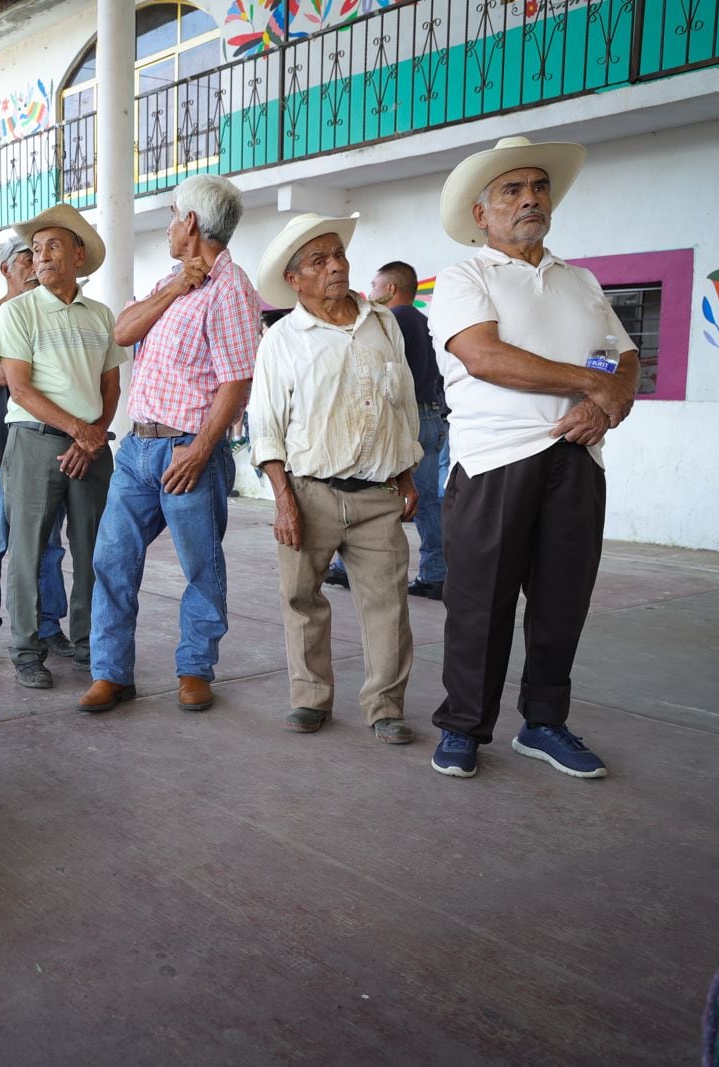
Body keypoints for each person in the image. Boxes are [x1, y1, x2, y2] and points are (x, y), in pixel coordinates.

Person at [428, 136, 639, 780]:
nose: (529, 200)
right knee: (479, 605)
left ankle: (544, 724)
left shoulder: (581, 280)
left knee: (561, 600)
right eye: (511, 191)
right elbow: (485, 356)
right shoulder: (465, 276)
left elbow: (622, 359)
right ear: (481, 215)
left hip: (578, 457)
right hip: (496, 462)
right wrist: (588, 381)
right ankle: (464, 726)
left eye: (538, 188)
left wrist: (604, 402)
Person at [83, 175, 260, 714]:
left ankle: (195, 668)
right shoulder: (171, 278)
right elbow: (122, 332)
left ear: (190, 223)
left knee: (200, 566)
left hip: (188, 451)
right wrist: (174, 287)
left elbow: (237, 381)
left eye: (172, 215)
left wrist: (202, 449)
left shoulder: (232, 290)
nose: (167, 226)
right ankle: (111, 673)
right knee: (112, 561)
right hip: (138, 451)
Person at [248, 212, 421, 745]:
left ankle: (385, 705)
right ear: (294, 280)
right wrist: (283, 502)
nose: (336, 266)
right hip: (308, 493)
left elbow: (404, 404)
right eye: (318, 261)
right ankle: (310, 697)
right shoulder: (282, 338)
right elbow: (267, 426)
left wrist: (408, 475)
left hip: (378, 493)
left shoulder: (384, 322)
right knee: (302, 600)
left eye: (338, 255)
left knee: (388, 606)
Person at [0, 203, 126, 690]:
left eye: (53, 247)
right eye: (36, 249)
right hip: (34, 442)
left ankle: (89, 644)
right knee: (27, 550)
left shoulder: (101, 315)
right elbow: (20, 389)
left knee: (94, 551)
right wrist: (79, 431)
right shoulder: (18, 311)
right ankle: (27, 650)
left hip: (90, 447)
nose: (42, 257)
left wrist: (92, 436)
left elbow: (110, 388)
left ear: (78, 255)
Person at [0, 235, 74, 668]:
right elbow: (9, 372)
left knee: (47, 543)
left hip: (43, 443)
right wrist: (18, 373)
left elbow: (42, 374)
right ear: (5, 268)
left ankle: (49, 626)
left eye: (41, 256)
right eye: (26, 258)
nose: (36, 264)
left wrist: (18, 372)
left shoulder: (51, 314)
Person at [370, 260, 447, 600]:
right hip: (432, 414)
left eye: (374, 286)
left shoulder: (394, 319)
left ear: (390, 289)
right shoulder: (423, 321)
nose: (370, 293)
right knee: (430, 499)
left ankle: (353, 567)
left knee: (372, 489)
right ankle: (436, 572)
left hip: (408, 418)